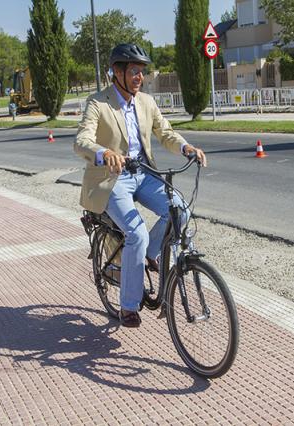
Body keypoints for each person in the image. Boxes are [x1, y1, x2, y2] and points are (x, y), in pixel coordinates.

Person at [74, 43, 206, 328]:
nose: (139, 77)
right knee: (135, 231)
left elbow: (165, 132)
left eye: (142, 72)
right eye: (134, 71)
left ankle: (148, 254)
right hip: (112, 179)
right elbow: (81, 140)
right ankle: (129, 306)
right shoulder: (98, 103)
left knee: (180, 211)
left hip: (144, 174)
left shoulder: (146, 102)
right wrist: (103, 153)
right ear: (117, 72)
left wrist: (186, 148)